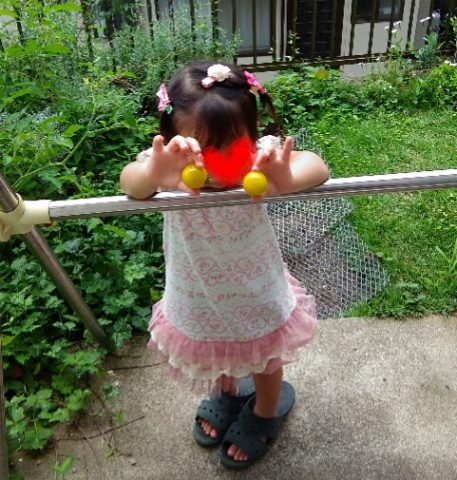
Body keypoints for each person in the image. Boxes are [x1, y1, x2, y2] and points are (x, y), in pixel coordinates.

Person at [120, 61, 329, 469]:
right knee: (216, 348)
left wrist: (285, 178)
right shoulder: (167, 166)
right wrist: (153, 175)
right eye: (203, 151)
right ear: (173, 140)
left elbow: (317, 166)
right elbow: (130, 183)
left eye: (230, 148)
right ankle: (228, 393)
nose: (217, 166)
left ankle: (265, 412)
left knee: (265, 355)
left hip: (255, 287)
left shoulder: (258, 159)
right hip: (197, 288)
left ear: (251, 135)